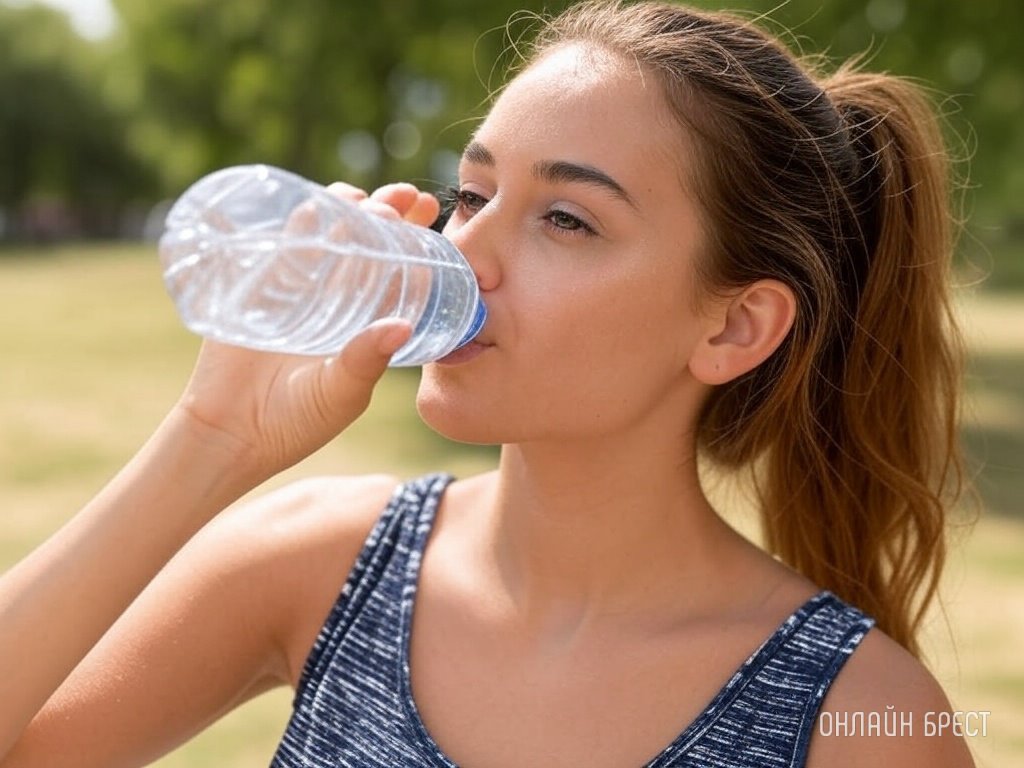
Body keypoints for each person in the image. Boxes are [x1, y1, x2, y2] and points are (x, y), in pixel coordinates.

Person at [0, 1, 975, 766]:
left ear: (731, 325)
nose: (465, 251)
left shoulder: (862, 721)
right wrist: (209, 440)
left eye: (566, 220)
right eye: (472, 194)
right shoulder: (324, 564)